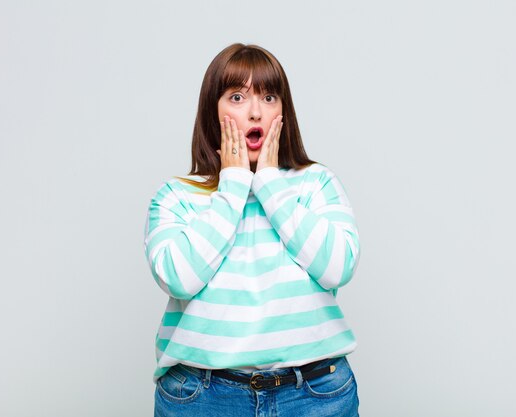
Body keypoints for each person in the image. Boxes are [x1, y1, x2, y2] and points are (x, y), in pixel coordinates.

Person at [143, 43, 361, 416]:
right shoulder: (176, 196)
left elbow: (337, 267)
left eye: (269, 96)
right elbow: (179, 279)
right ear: (213, 110)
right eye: (238, 97)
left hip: (314, 396)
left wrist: (271, 184)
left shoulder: (316, 184)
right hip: (203, 397)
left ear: (283, 111)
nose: (256, 111)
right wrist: (233, 183)